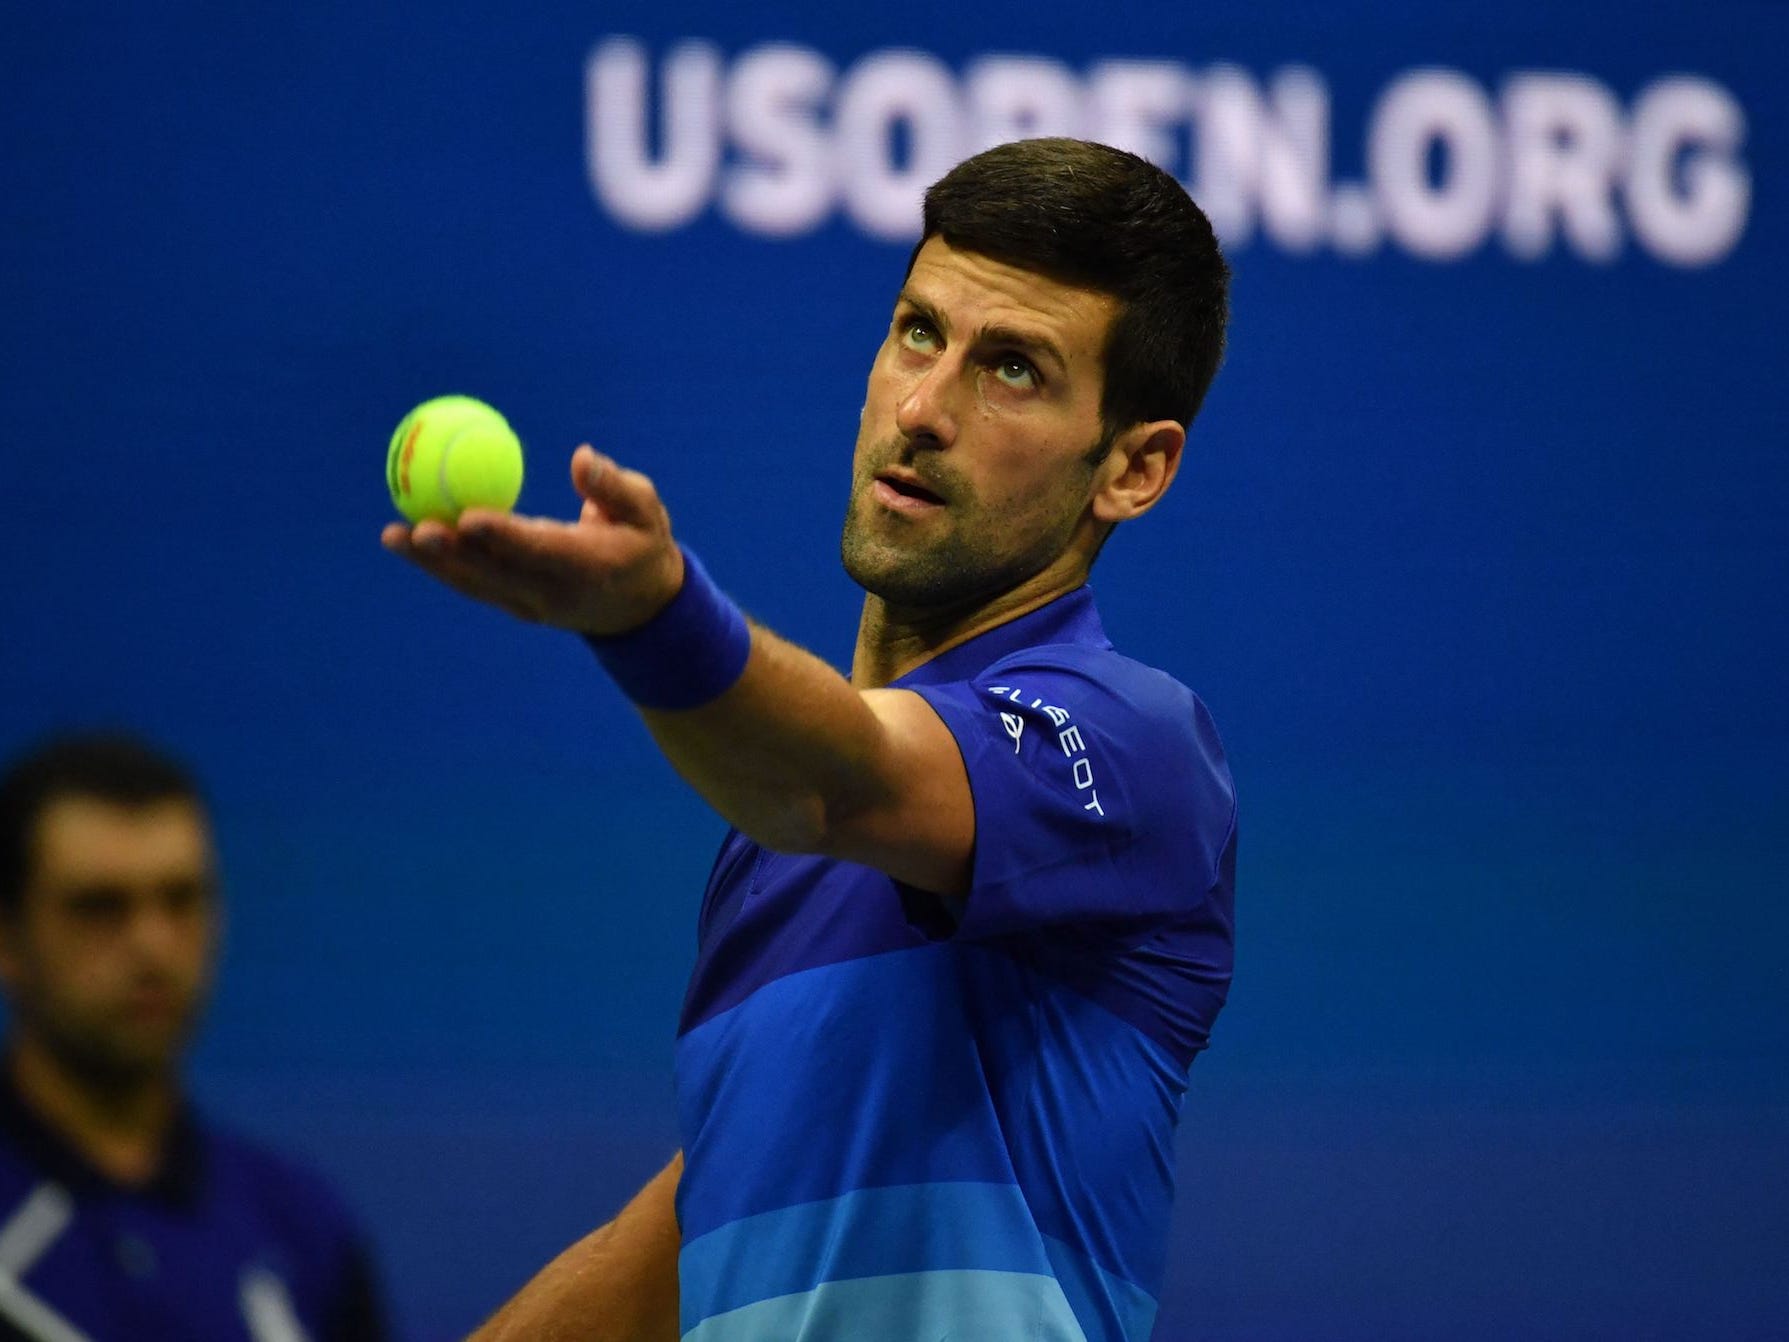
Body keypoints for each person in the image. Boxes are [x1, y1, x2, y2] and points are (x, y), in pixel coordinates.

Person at [387, 137, 1236, 1342]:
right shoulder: (767, 841)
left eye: (1012, 369)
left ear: (1134, 468)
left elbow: (839, 782)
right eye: (917, 333)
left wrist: (653, 614)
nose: (926, 408)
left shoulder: (1136, 747)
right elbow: (690, 1242)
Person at [0, 733, 387, 1342]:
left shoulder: (301, 1231)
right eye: (101, 906)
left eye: (181, 900)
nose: (153, 947)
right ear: (9, 935)